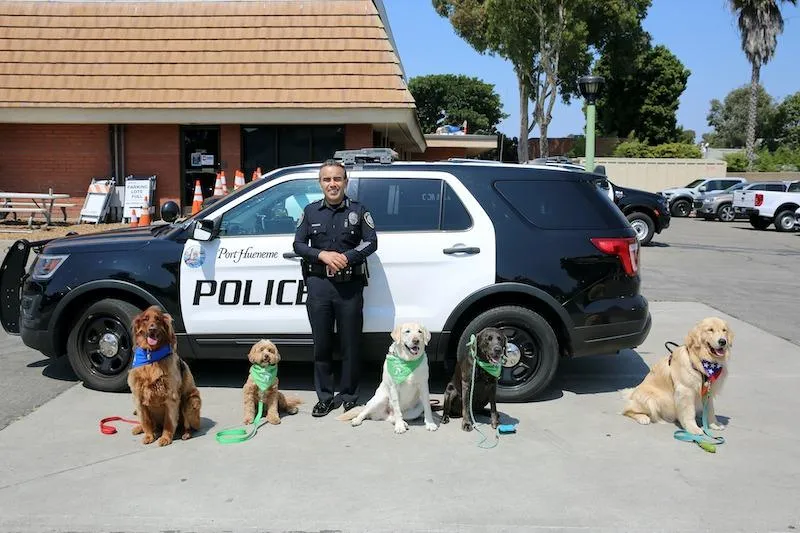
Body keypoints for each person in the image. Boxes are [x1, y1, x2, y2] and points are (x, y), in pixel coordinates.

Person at [293, 159, 378, 417]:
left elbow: (371, 242)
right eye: (327, 179)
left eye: (337, 179)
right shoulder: (310, 212)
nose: (332, 184)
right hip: (319, 286)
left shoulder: (359, 210)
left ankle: (350, 395)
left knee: (350, 344)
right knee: (322, 344)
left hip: (349, 287)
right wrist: (322, 256)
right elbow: (298, 245)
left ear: (345, 182)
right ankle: (325, 397)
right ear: (320, 183)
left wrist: (347, 257)